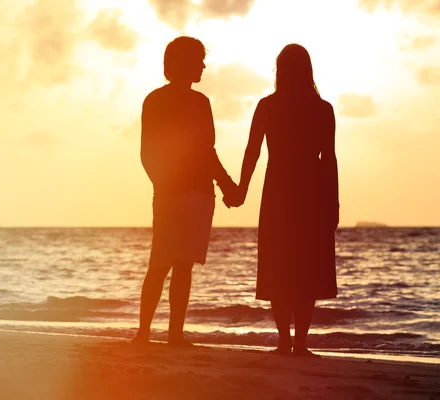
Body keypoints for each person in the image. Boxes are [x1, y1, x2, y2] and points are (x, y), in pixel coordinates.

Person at [226, 44, 339, 357]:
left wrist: (242, 190)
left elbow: (253, 151)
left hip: (278, 191)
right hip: (311, 193)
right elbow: (328, 159)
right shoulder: (322, 108)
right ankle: (299, 343)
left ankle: (285, 341)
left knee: (280, 266)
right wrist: (333, 203)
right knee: (305, 268)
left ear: (280, 70)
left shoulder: (268, 106)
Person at [132, 36, 237, 347]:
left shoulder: (172, 100)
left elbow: (202, 151)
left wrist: (224, 182)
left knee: (170, 264)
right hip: (183, 193)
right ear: (183, 63)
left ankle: (156, 334)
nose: (203, 66)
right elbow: (200, 151)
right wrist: (227, 183)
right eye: (198, 60)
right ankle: (158, 334)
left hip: (183, 192)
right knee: (171, 264)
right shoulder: (185, 102)